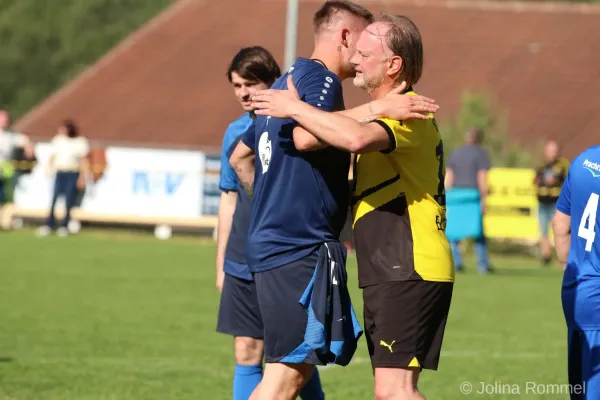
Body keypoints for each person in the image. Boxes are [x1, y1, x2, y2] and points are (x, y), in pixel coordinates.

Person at [250, 14, 453, 400]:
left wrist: (294, 108)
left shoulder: (407, 111)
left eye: (365, 53)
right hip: (390, 264)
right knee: (389, 391)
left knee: (395, 392)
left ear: (393, 65)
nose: (354, 60)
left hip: (409, 262)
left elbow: (354, 138)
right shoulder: (389, 112)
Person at [215, 46, 325, 400]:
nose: (244, 93)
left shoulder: (295, 126)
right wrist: (221, 265)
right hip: (241, 260)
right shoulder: (234, 132)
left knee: (296, 356)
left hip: (285, 257)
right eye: (236, 85)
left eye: (251, 83)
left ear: (272, 81)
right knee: (246, 350)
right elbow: (229, 201)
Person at [552, 145, 600, 399]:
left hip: (576, 288)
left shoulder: (583, 160)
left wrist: (568, 268)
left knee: (581, 387)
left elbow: (560, 224)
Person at [444, 127, 491, 274]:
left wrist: (446, 197)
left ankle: (456, 263)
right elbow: (482, 177)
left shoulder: (455, 153)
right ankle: (482, 265)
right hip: (472, 197)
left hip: (456, 196)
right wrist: (484, 199)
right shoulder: (481, 154)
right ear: (479, 139)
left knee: (453, 233)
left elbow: (448, 177)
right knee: (478, 233)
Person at [36, 120, 89, 237]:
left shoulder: (80, 142)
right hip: (60, 172)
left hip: (72, 173)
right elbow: (52, 156)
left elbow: (83, 160)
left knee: (69, 200)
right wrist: (49, 168)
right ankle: (49, 224)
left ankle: (64, 226)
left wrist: (82, 177)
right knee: (54, 199)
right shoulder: (58, 140)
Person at [534, 139, 569, 265]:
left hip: (557, 203)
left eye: (554, 151)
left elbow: (564, 181)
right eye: (550, 150)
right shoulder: (541, 166)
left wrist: (554, 181)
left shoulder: (562, 166)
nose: (552, 153)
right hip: (542, 202)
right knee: (543, 230)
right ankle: (546, 256)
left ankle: (562, 255)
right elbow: (536, 180)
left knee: (560, 231)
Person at [0, 110, 34, 226]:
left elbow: (24, 141)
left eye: (5, 119)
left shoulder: (10, 135)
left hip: (6, 170)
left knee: (7, 196)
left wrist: (29, 149)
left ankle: (6, 220)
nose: (4, 122)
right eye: (2, 119)